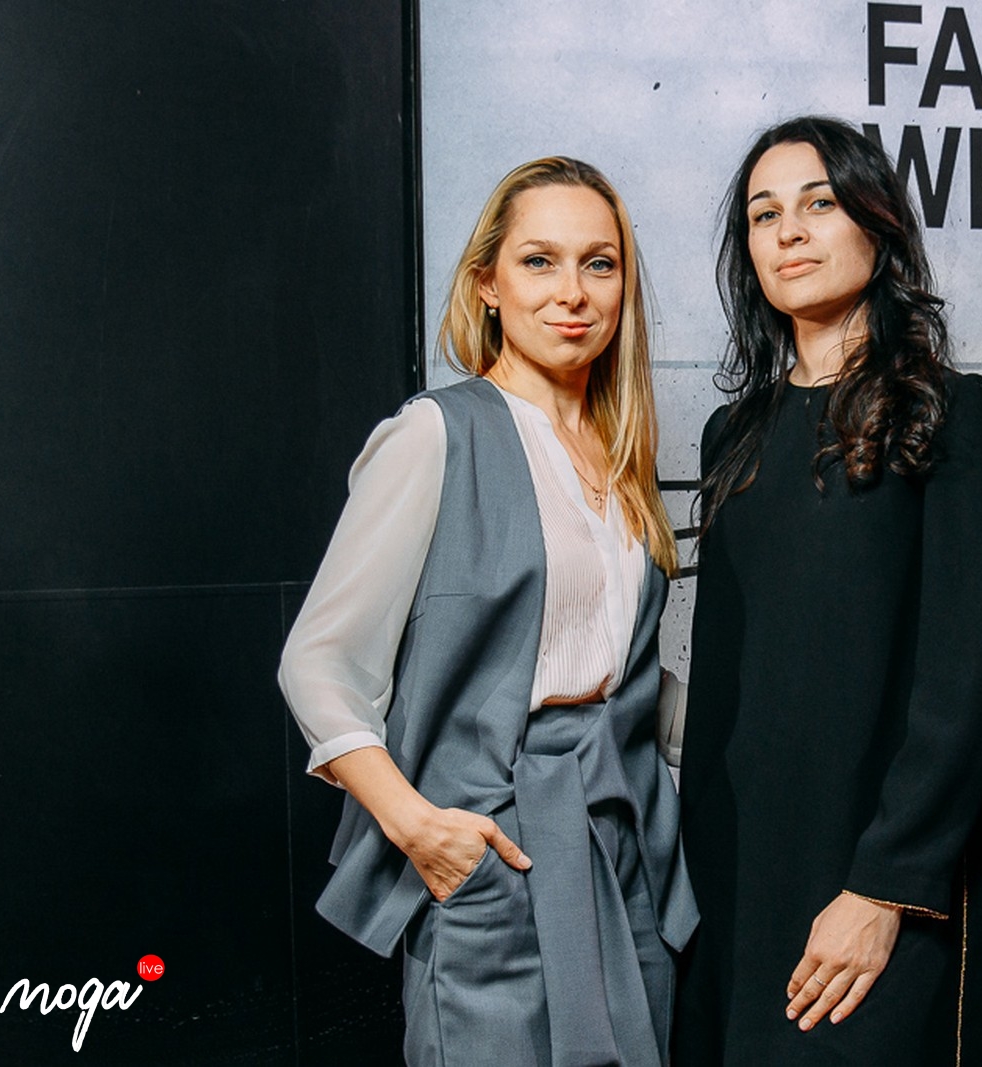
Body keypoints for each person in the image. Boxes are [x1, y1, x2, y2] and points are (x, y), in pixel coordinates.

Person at [278, 157, 696, 1067]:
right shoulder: (436, 432)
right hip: (496, 846)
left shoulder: (620, 456)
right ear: (488, 285)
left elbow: (609, 669)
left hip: (625, 846)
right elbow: (317, 661)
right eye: (539, 261)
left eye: (599, 263)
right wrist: (421, 828)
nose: (572, 291)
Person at [674, 116, 982, 1066]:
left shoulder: (954, 413)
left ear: (879, 225)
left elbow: (967, 679)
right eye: (764, 214)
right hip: (741, 877)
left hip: (887, 877)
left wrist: (885, 885)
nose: (788, 232)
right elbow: (723, 686)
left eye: (819, 204)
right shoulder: (733, 433)